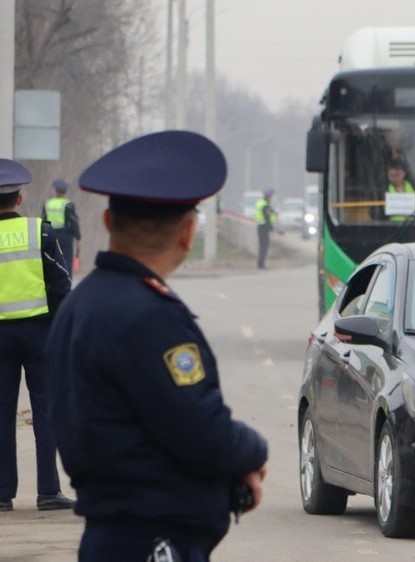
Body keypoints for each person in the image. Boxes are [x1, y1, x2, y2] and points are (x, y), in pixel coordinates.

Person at [44, 131, 269, 561]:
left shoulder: (80, 304)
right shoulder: (151, 315)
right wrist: (254, 451)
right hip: (153, 541)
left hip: (111, 534)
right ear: (188, 233)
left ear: (108, 222)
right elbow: (201, 430)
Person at [0, 159, 74, 513]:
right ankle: (48, 491)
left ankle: (1, 495)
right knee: (45, 410)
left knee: (1, 414)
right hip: (39, 333)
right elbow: (60, 284)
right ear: (20, 199)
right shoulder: (39, 231)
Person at [41, 179, 82, 278]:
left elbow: (43, 219)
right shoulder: (68, 204)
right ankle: (66, 280)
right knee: (66, 259)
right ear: (65, 191)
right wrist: (78, 237)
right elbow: (73, 221)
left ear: (56, 190)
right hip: (65, 236)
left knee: (51, 258)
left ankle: (52, 281)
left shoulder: (48, 203)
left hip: (50, 234)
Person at [384, 159, 415, 225]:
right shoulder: (384, 189)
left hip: (412, 224)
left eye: (397, 175)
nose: (395, 178)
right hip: (392, 225)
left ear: (404, 173)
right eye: (392, 176)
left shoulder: (413, 187)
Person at [255, 188, 277, 269]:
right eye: (271, 196)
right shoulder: (265, 205)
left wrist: (274, 212)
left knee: (262, 245)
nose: (272, 197)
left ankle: (260, 263)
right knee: (264, 246)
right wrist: (271, 229)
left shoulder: (260, 203)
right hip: (264, 227)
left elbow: (269, 212)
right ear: (268, 196)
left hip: (260, 226)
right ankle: (261, 264)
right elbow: (267, 218)